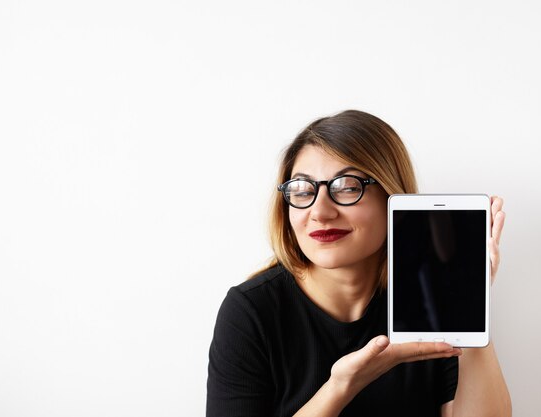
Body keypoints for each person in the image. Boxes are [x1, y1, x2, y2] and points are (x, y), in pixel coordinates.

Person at [206, 110, 511, 417]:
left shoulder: (427, 304)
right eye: (302, 190)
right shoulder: (251, 311)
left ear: (392, 195)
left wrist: (472, 305)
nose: (320, 211)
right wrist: (342, 386)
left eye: (347, 187)